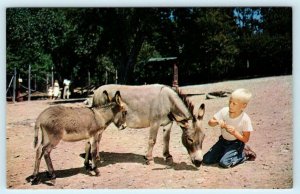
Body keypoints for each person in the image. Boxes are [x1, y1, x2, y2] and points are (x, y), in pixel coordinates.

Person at [203, 88, 256, 168]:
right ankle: (226, 153)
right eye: (230, 102)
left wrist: (235, 132)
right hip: (223, 141)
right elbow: (210, 123)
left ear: (243, 106)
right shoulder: (224, 111)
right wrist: (217, 122)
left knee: (224, 163)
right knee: (206, 160)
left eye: (234, 104)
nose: (230, 105)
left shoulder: (245, 119)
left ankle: (244, 154)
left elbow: (246, 139)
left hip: (236, 143)